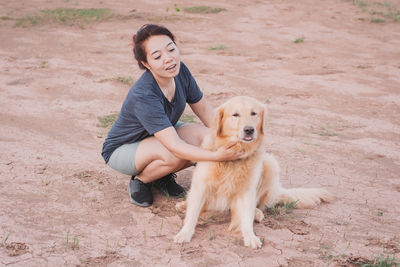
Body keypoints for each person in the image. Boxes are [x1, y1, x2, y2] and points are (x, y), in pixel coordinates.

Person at [101, 24, 243, 207]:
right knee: (176, 155)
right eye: (158, 56)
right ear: (146, 64)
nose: (168, 59)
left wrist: (231, 140)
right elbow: (175, 146)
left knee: (207, 138)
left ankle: (162, 177)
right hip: (123, 147)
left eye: (171, 49)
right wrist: (217, 156)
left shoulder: (180, 70)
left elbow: (206, 112)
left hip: (159, 134)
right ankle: (141, 180)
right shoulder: (144, 94)